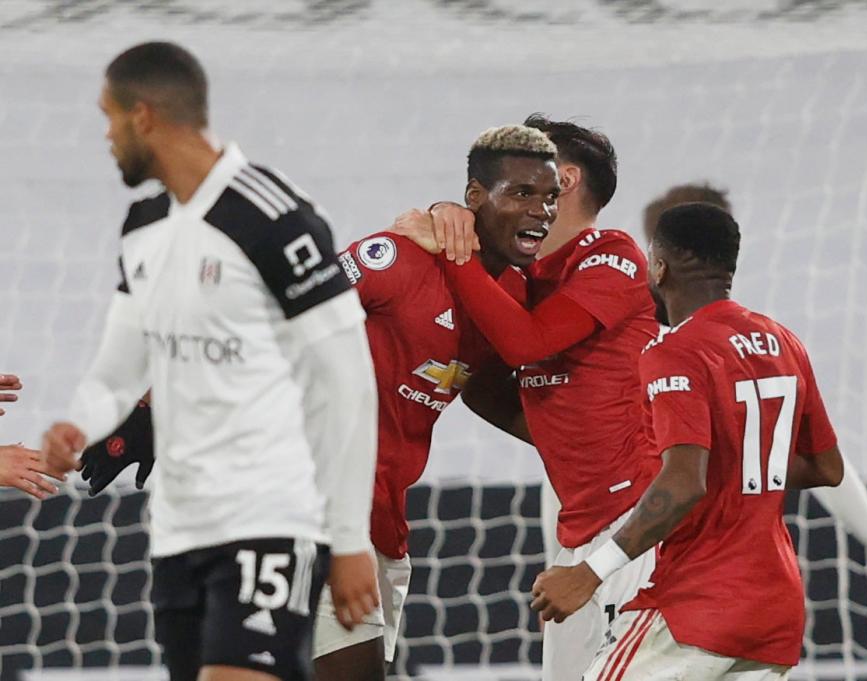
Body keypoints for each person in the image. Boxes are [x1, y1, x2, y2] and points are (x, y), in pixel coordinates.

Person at [40, 42, 379, 681]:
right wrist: (78, 425)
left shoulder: (275, 217)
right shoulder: (144, 226)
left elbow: (347, 380)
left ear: (142, 116)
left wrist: (349, 536)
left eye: (108, 118)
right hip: (178, 529)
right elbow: (118, 369)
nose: (106, 136)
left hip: (271, 516)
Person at [532, 202, 845, 680]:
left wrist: (588, 573)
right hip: (774, 608)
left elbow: (683, 485)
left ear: (659, 266)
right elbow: (827, 468)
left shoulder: (675, 350)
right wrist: (737, 463)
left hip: (698, 603)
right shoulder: (783, 340)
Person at [399, 115, 660, 681]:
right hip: (578, 531)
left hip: (635, 528)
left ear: (563, 180)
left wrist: (454, 251)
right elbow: (484, 387)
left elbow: (526, 344)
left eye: (535, 171)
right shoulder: (526, 277)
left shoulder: (612, 256)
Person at [312, 125, 559, 680]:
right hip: (320, 509)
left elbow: (493, 392)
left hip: (385, 523)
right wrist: (155, 408)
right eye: (521, 193)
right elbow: (283, 313)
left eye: (549, 198)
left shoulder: (514, 297)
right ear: (476, 198)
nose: (541, 210)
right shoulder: (396, 258)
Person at [642, 182, 867, 623]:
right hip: (733, 587)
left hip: (665, 577)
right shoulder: (759, 344)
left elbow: (817, 460)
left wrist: (579, 564)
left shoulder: (688, 349)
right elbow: (820, 462)